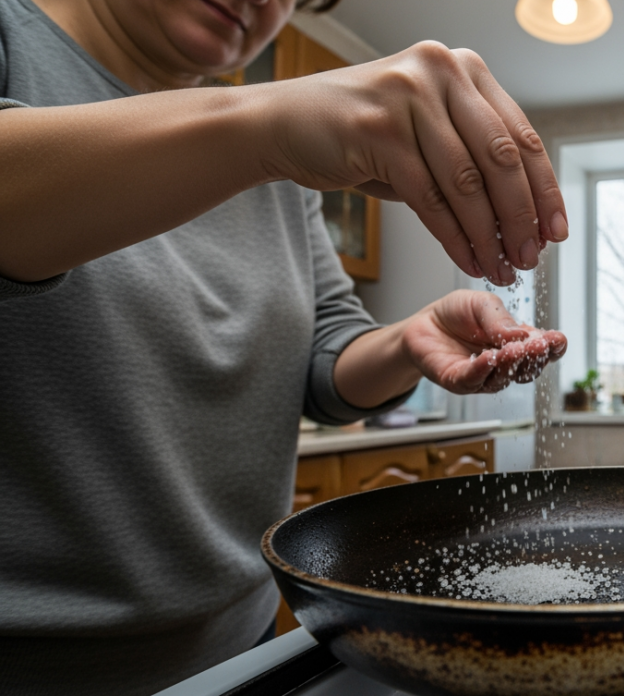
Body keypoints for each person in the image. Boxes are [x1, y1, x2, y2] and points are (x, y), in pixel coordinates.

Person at [0, 0, 568, 693]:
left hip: (246, 644)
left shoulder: (277, 169)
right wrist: (263, 127)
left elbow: (325, 363)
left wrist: (404, 343)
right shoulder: (15, 35)